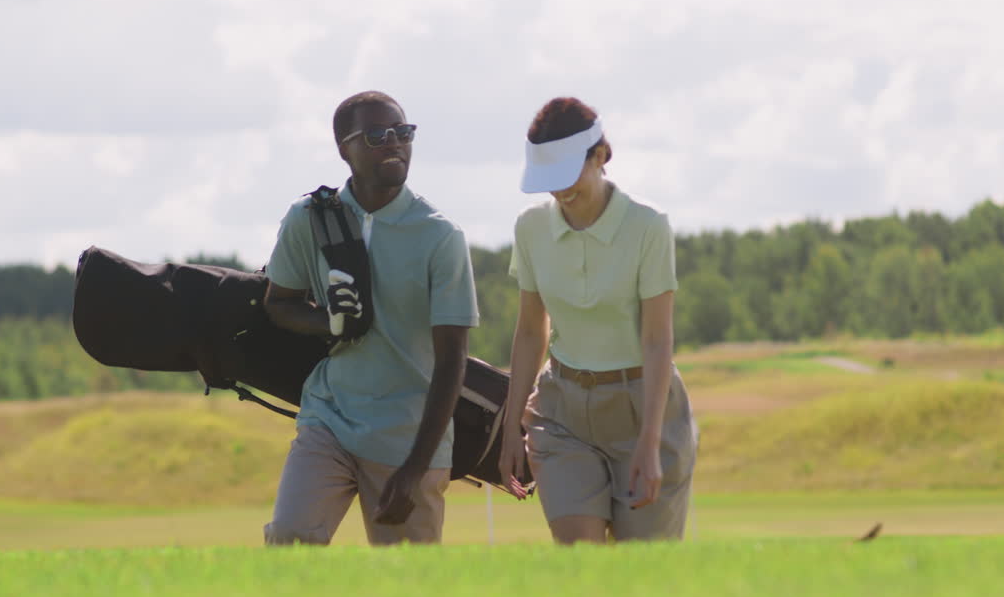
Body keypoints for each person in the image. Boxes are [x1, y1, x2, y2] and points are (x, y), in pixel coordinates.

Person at [262, 91, 479, 546]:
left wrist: (415, 471)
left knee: (410, 585)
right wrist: (330, 324)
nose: (395, 145)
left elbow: (452, 360)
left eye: (404, 133)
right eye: (378, 136)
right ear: (345, 148)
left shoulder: (440, 235)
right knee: (289, 537)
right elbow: (279, 302)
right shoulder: (310, 218)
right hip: (330, 417)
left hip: (409, 436)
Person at [497, 97, 698, 544]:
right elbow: (531, 330)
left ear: (601, 155)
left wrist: (649, 442)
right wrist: (510, 426)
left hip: (644, 410)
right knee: (579, 560)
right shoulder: (530, 229)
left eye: (568, 177)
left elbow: (657, 340)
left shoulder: (648, 226)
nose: (561, 192)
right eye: (549, 181)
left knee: (642, 577)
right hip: (562, 413)